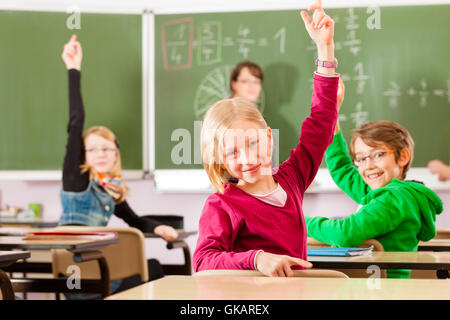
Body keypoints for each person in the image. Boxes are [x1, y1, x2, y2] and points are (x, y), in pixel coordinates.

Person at [193, 0, 339, 277]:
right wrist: (257, 259)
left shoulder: (293, 178)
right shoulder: (222, 204)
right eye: (233, 152)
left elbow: (321, 122)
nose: (247, 158)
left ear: (269, 138)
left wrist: (325, 48)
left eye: (253, 143)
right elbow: (203, 261)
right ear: (220, 159)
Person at [59, 34, 178, 295]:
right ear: (83, 155)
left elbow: (135, 221)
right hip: (77, 273)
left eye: (107, 148)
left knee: (156, 268)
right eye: (92, 149)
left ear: (116, 155)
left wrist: (158, 227)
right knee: (156, 271)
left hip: (99, 268)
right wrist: (73, 69)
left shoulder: (111, 189)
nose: (100, 153)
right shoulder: (76, 180)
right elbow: (76, 121)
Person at [305, 79, 443, 278]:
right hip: (376, 287)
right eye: (360, 158)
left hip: (383, 291)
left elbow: (345, 233)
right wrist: (330, 116)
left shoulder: (394, 199)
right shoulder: (383, 192)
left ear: (402, 157)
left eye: (378, 154)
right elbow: (342, 168)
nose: (368, 165)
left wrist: (298, 219)